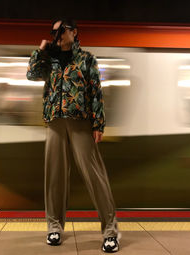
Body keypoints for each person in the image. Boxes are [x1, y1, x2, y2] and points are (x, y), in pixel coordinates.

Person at [26, 19, 121, 253]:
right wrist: (40, 50)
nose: (57, 34)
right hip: (54, 121)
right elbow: (31, 74)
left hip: (81, 122)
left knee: (94, 174)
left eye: (62, 30)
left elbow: (96, 92)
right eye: (54, 31)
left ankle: (110, 231)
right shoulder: (50, 58)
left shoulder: (87, 59)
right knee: (55, 176)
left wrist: (98, 123)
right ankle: (54, 228)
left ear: (74, 32)